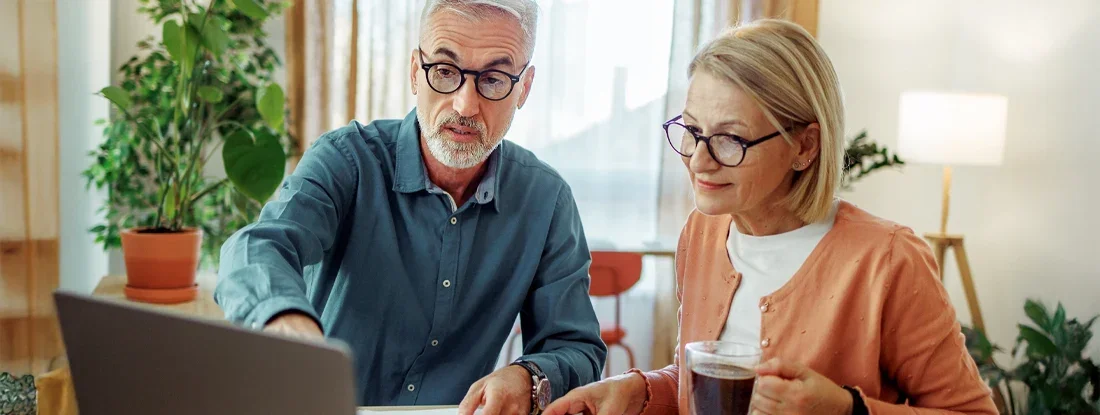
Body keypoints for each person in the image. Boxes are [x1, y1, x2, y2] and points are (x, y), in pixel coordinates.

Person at [544, 19, 998, 415]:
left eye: (730, 140)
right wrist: (637, 392)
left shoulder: (889, 260)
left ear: (804, 147)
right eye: (692, 131)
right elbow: (708, 386)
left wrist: (845, 409)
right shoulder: (702, 233)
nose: (699, 161)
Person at [214, 0, 607, 413]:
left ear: (523, 88)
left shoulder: (546, 201)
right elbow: (255, 248)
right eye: (444, 71)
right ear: (415, 73)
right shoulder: (346, 160)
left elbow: (576, 347)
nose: (465, 106)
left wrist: (529, 377)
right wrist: (283, 319)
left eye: (493, 79)